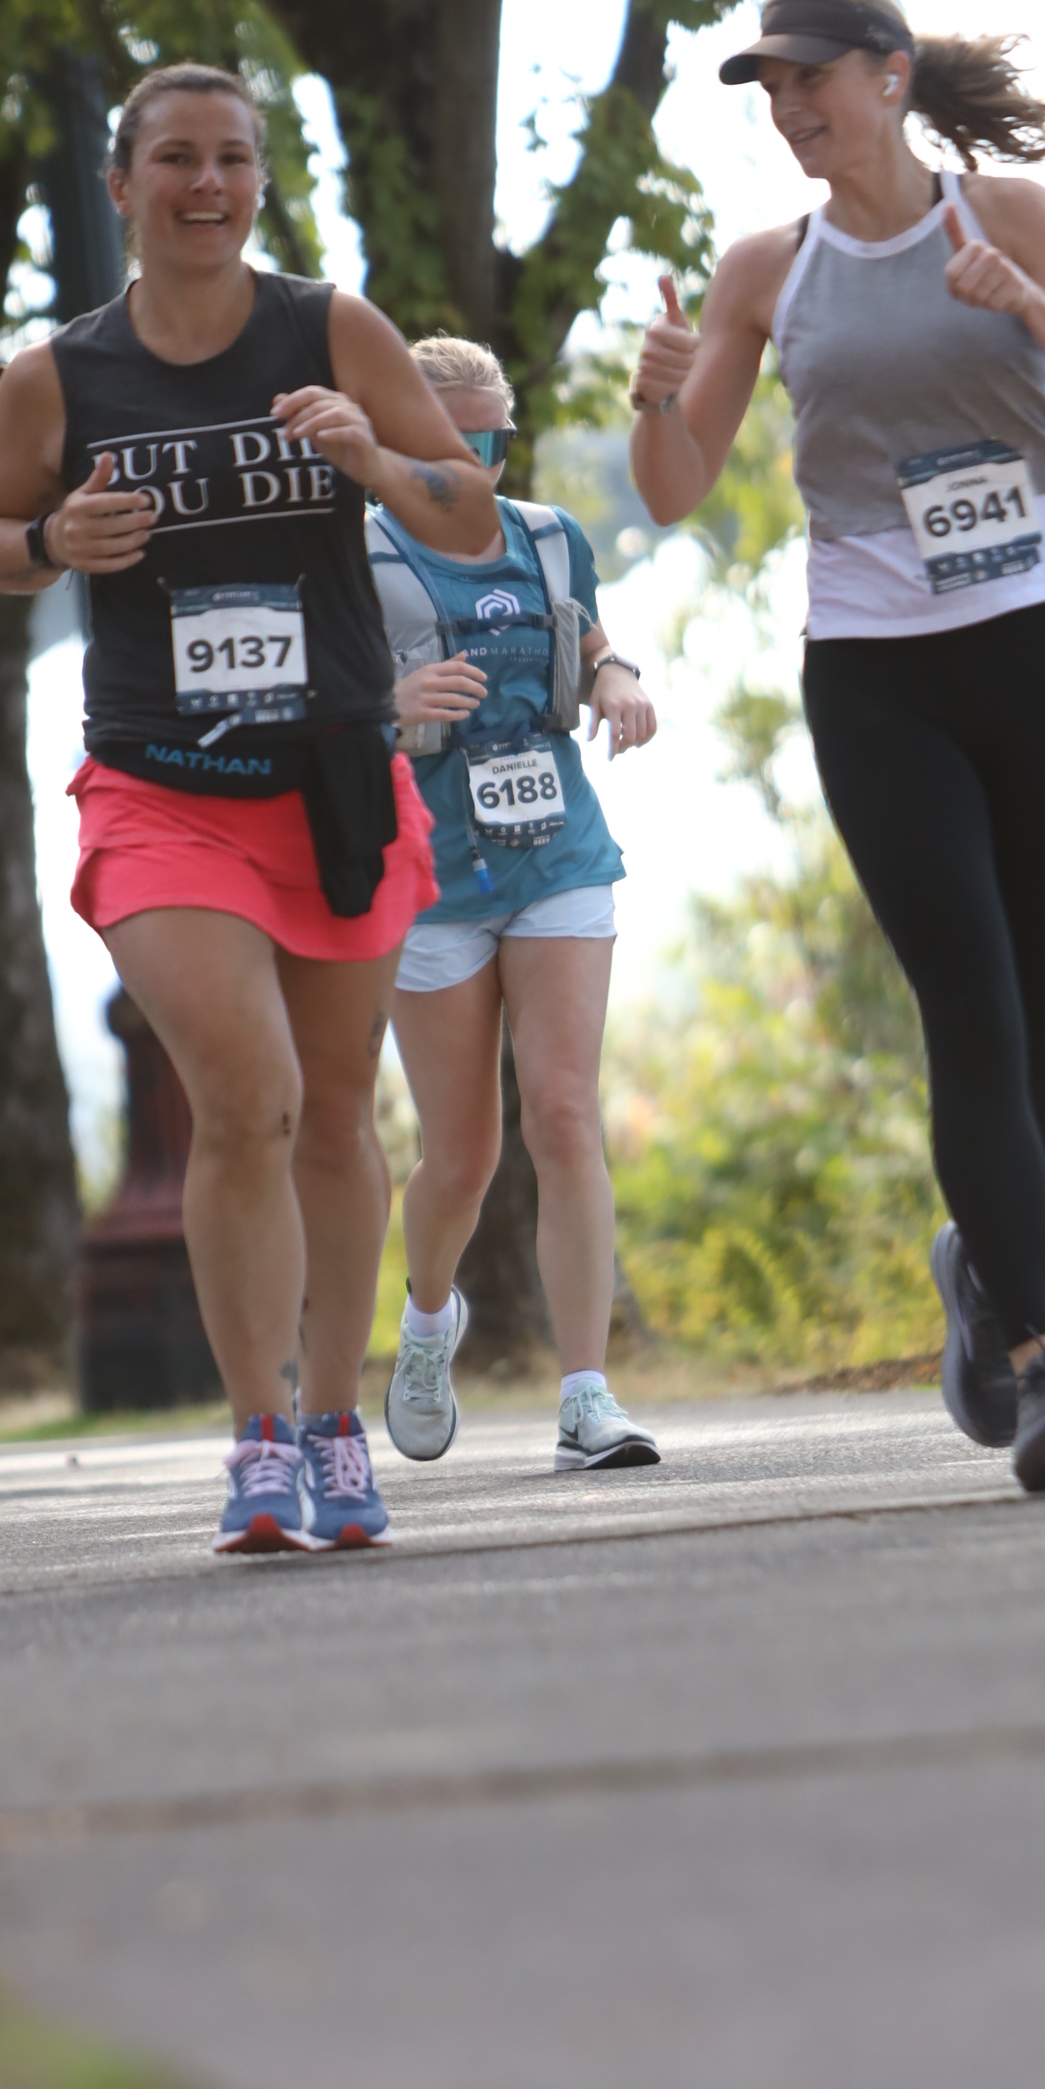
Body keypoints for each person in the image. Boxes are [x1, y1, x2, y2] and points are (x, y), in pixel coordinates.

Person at [628, 0, 1045, 1491]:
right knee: (970, 1011)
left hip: (1031, 648)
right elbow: (673, 489)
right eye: (769, 89)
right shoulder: (765, 269)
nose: (789, 109)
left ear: (888, 76)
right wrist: (655, 399)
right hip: (876, 675)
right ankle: (1042, 1365)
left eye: (808, 78)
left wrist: (1027, 304)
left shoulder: (1008, 218)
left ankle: (980, 1262)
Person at [0, 62, 498, 1555]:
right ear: (121, 184)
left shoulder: (329, 328)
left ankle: (333, 1424)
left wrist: (371, 457)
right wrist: (55, 538)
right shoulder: (58, 374)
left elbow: (466, 509)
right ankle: (257, 1437)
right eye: (177, 160)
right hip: (163, 786)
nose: (208, 185)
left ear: (261, 179)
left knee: (332, 1111)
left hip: (329, 780)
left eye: (235, 159)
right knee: (246, 1093)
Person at [371, 335, 663, 1472]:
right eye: (450, 439)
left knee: (564, 1115)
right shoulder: (357, 554)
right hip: (434, 879)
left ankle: (586, 1397)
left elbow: (587, 638)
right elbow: (314, 711)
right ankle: (426, 1322)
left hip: (557, 859)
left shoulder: (549, 537)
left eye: (494, 439)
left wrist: (617, 674)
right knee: (461, 1155)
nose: (477, 462)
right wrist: (389, 704)